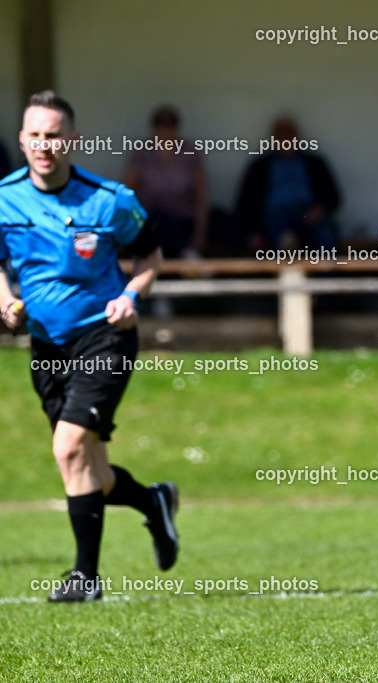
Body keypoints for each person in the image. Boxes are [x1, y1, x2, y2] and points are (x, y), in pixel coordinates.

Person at [0, 91, 179, 602]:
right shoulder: (4, 198)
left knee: (68, 448)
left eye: (54, 135)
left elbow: (151, 257)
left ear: (72, 140)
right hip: (46, 346)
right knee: (91, 472)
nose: (44, 145)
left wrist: (129, 295)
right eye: (35, 134)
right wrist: (6, 297)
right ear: (21, 138)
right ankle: (153, 502)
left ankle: (85, 577)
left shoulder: (110, 200)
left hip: (105, 337)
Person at [236, 116, 342, 251]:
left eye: (289, 133)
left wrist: (320, 209)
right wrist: (252, 231)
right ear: (273, 138)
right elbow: (244, 205)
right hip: (274, 217)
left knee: (325, 235)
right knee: (281, 236)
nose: (285, 138)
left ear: (297, 137)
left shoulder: (315, 163)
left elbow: (335, 197)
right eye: (281, 134)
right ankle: (288, 270)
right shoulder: (259, 166)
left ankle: (327, 272)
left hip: (307, 214)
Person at [123, 105, 209, 258]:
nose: (165, 129)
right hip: (152, 222)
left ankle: (187, 255)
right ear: (153, 127)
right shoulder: (142, 154)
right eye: (160, 124)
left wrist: (199, 233)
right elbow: (127, 194)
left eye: (170, 124)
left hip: (183, 221)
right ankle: (187, 255)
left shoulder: (190, 153)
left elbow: (201, 197)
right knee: (159, 219)